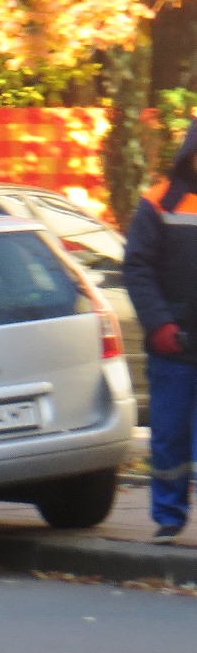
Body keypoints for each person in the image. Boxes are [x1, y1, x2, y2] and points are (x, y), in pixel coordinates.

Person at [122, 123, 197, 541]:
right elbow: (137, 267)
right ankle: (169, 517)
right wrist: (160, 325)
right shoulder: (158, 202)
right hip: (174, 344)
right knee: (169, 435)